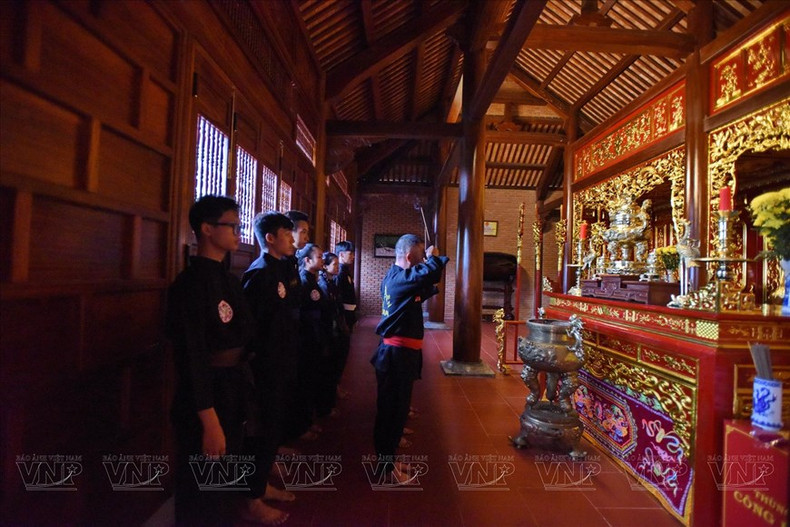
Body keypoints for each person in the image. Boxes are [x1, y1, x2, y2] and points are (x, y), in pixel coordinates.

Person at [166, 195, 255, 526]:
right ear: (206, 229)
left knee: (224, 483)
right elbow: (191, 356)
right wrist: (209, 420)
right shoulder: (189, 285)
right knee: (202, 487)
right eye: (232, 225)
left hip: (233, 387)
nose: (238, 232)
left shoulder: (229, 279)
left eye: (238, 225)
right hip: (205, 397)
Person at [370, 235, 448, 483]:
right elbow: (427, 273)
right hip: (395, 356)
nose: (421, 262)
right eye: (418, 258)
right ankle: (384, 468)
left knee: (398, 409)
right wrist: (433, 258)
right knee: (390, 412)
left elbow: (428, 279)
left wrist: (431, 264)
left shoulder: (400, 279)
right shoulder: (398, 281)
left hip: (402, 355)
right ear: (409, 257)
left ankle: (389, 459)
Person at [241, 211, 300, 525]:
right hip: (266, 367)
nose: (293, 239)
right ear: (270, 239)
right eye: (287, 234)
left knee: (275, 427)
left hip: (285, 360)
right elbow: (250, 326)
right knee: (261, 432)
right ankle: (252, 498)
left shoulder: (285, 267)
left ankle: (260, 482)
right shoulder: (260, 272)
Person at [318, 252, 349, 413]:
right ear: (325, 266)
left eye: (338, 264)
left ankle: (331, 399)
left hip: (337, 329)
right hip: (330, 331)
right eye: (334, 264)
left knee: (336, 366)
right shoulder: (323, 284)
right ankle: (326, 405)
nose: (337, 267)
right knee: (328, 370)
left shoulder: (332, 283)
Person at [334, 241, 357, 332]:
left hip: (349, 313)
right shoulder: (339, 273)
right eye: (350, 254)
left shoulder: (346, 271)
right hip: (343, 314)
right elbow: (338, 297)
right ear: (342, 255)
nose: (353, 257)